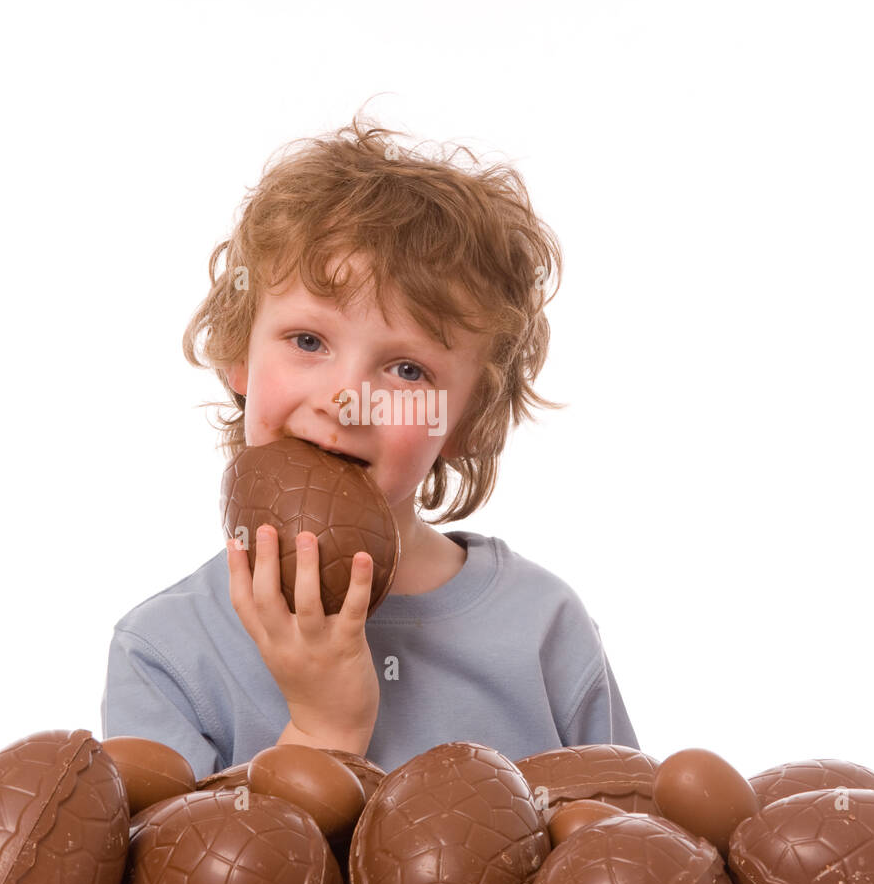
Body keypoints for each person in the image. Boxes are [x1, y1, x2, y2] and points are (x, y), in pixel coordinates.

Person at [101, 111, 639, 779]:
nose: (343, 398)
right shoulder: (167, 653)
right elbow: (182, 883)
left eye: (407, 370)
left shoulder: (541, 630)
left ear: (466, 421)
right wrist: (324, 728)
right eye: (308, 341)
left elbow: (628, 851)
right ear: (237, 356)